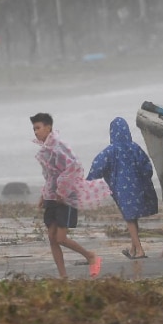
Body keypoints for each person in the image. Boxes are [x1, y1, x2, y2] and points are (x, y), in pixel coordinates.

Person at [30, 112, 109, 278]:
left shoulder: (59, 146)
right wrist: (44, 195)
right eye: (34, 129)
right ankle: (63, 276)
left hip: (65, 197)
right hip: (52, 197)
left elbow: (74, 167)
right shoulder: (46, 150)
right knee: (52, 237)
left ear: (48, 127)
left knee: (61, 238)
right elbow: (50, 175)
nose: (36, 132)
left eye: (38, 128)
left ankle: (90, 256)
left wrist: (62, 190)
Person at [87, 117, 159, 260]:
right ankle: (133, 249)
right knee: (133, 217)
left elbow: (98, 165)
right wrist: (144, 179)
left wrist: (88, 180)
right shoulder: (135, 148)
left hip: (122, 190)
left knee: (129, 219)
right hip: (138, 187)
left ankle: (139, 251)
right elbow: (147, 166)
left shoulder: (111, 151)